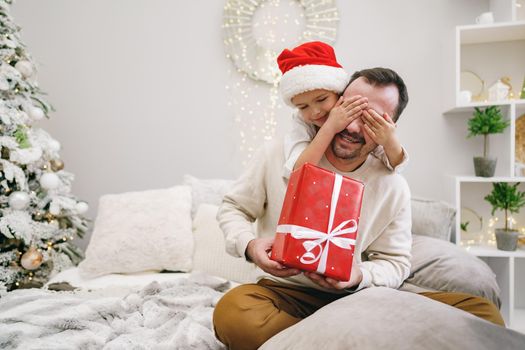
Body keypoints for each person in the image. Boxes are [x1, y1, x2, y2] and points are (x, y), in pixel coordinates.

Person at [213, 49, 503, 350]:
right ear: (339, 102)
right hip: (285, 294)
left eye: (370, 119)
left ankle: (334, 339)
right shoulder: (277, 155)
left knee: (482, 314)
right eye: (351, 109)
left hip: (358, 299)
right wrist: (249, 246)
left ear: (387, 129)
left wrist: (358, 275)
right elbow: (233, 207)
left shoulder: (392, 185)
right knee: (234, 314)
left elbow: (395, 263)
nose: (352, 127)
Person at [279, 41, 407, 180]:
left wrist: (389, 140)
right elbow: (296, 173)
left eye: (321, 99)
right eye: (303, 107)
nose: (315, 111)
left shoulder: (370, 136)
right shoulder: (302, 122)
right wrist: (330, 127)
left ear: (338, 93)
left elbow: (397, 164)